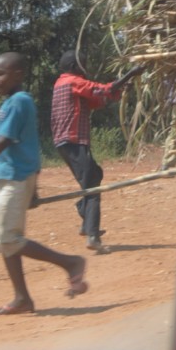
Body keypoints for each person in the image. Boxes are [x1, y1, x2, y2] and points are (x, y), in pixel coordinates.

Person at [0, 52, 88, 316]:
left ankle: (71, 263)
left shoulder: (19, 102)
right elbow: (31, 146)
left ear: (19, 75)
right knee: (5, 241)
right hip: (10, 177)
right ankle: (22, 298)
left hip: (14, 178)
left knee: (8, 239)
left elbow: (3, 141)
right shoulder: (12, 102)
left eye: (0, 74)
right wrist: (34, 188)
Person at [51, 50, 144, 253]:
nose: (86, 70)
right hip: (74, 142)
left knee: (95, 175)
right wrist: (130, 74)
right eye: (84, 65)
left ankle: (85, 217)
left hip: (64, 143)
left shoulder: (61, 84)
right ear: (75, 67)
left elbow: (96, 101)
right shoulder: (73, 82)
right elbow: (101, 90)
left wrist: (119, 89)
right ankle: (92, 235)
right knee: (93, 189)